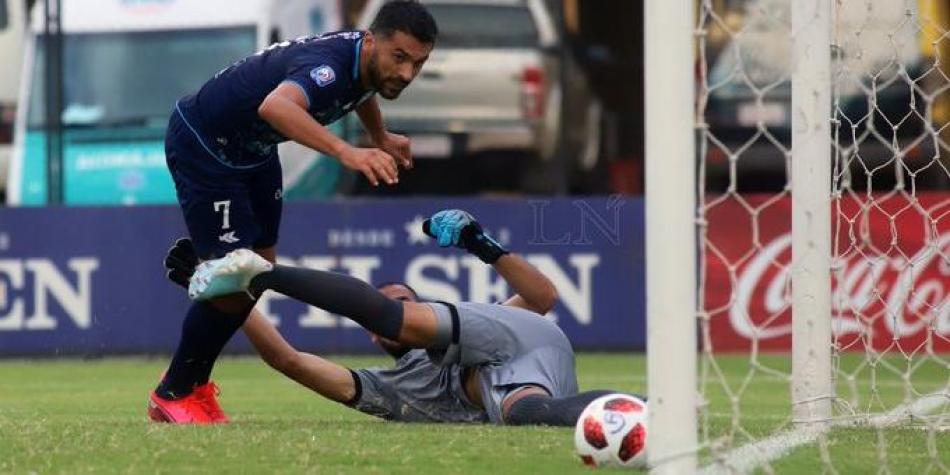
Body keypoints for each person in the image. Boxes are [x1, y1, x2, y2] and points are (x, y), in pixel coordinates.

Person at [150, 0, 439, 424]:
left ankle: (190, 375)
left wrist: (379, 135)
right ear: (373, 41)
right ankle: (175, 390)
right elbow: (276, 107)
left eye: (418, 63)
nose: (407, 74)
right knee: (237, 277)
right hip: (206, 146)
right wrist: (347, 151)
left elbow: (362, 90)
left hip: (254, 148)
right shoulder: (329, 66)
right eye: (400, 58)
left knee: (260, 269)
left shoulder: (365, 60)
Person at [164, 209, 638, 425]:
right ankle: (646, 409)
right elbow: (289, 359)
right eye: (387, 309)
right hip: (530, 384)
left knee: (402, 320)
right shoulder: (390, 391)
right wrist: (225, 304)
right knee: (522, 415)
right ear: (371, 339)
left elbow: (541, 296)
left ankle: (263, 274)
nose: (394, 310)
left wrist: (482, 246)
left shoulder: (468, 325)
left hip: (521, 344)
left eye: (406, 300)